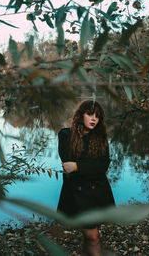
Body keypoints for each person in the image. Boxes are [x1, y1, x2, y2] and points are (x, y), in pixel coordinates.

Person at [57, 100, 115, 256]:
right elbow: (67, 164)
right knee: (93, 237)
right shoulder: (65, 135)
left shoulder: (101, 138)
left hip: (98, 192)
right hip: (77, 193)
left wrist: (77, 166)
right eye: (89, 114)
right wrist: (91, 167)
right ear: (80, 115)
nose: (94, 119)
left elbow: (103, 164)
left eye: (97, 116)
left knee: (91, 235)